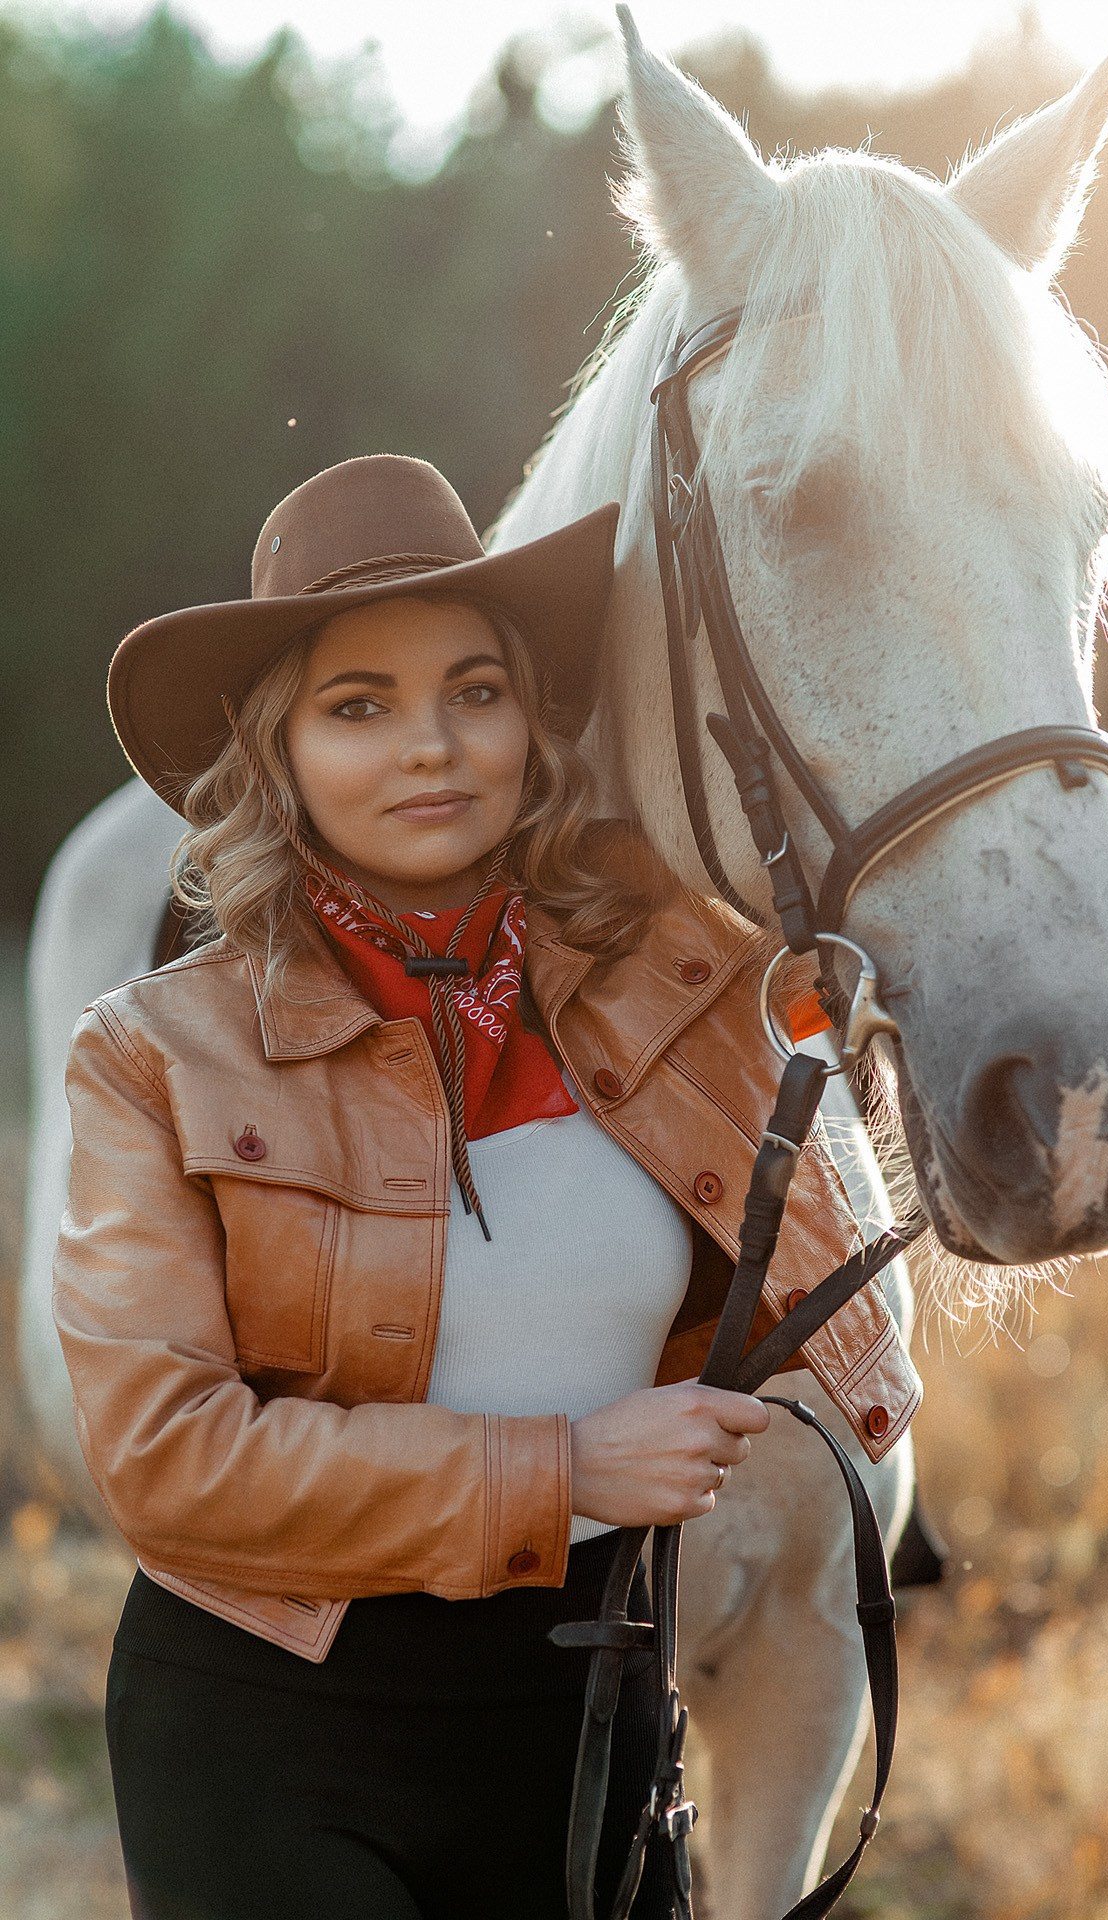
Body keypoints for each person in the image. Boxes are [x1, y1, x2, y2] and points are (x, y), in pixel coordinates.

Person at [53, 454, 920, 1919]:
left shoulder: (679, 981)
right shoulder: (155, 1052)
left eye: (475, 690)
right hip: (273, 1726)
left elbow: (848, 1071)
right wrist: (569, 1470)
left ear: (532, 718)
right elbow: (167, 1461)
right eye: (358, 707)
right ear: (278, 754)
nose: (431, 749)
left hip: (585, 1713)